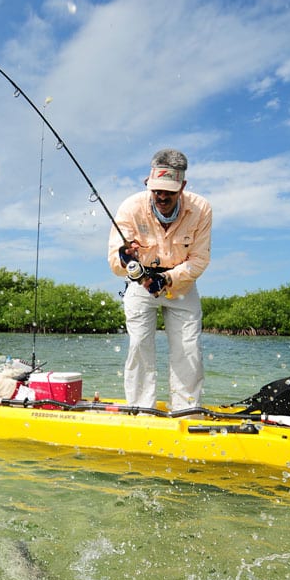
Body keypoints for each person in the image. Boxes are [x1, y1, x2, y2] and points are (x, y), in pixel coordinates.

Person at [108, 149, 212, 411]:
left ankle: (187, 411)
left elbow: (199, 260)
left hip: (182, 286)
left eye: (169, 191)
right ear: (148, 184)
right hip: (140, 285)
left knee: (188, 350)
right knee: (139, 346)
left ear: (183, 187)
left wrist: (167, 279)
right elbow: (114, 262)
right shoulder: (130, 208)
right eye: (156, 191)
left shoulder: (202, 209)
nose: (162, 197)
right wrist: (124, 256)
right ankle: (141, 410)